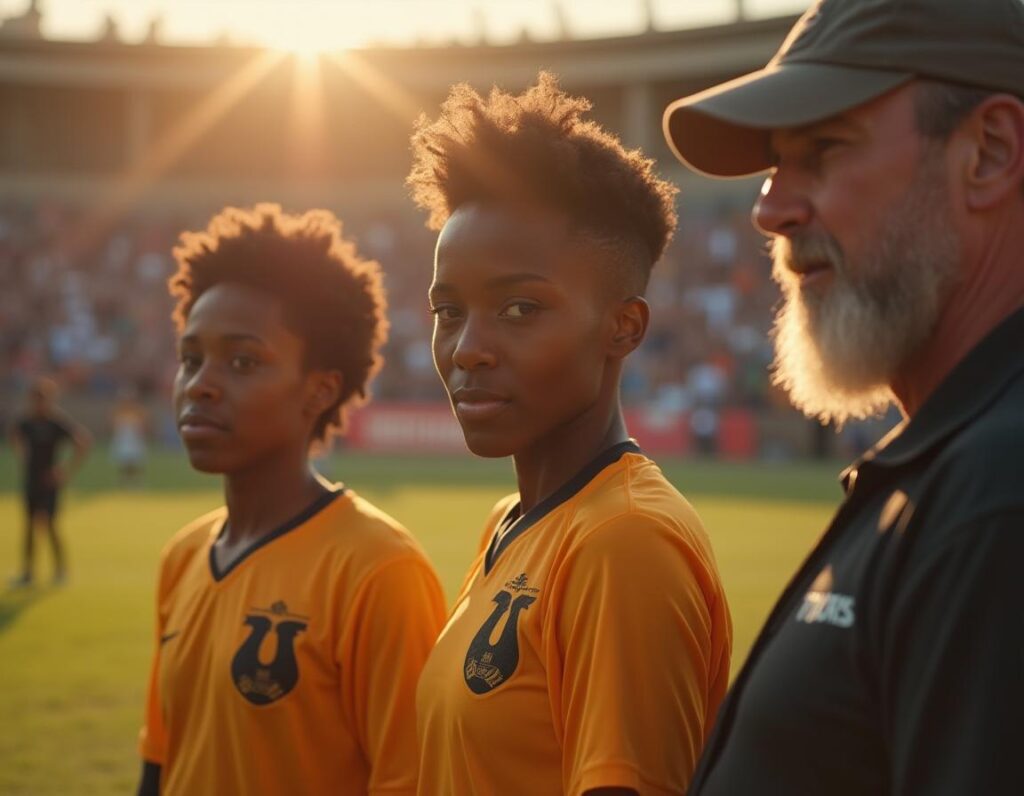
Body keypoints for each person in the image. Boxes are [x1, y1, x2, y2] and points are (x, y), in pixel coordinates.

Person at [663, 0, 1024, 793]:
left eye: (824, 150)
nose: (770, 209)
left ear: (990, 154)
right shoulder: (964, 460)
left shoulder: (997, 494)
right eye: (773, 165)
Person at [408, 74, 732, 796]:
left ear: (624, 327)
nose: (466, 348)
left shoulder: (624, 541)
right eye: (448, 310)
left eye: (520, 308)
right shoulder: (517, 522)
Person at [136, 204, 446, 796]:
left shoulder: (378, 570)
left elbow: (411, 781)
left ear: (320, 389)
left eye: (242, 361)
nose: (200, 382)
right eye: (190, 358)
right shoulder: (183, 557)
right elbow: (160, 762)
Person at [9, 377, 91, 586]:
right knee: (28, 526)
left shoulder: (55, 423)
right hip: (31, 479)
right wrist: (22, 454)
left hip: (48, 482)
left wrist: (64, 470)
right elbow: (14, 435)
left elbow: (83, 442)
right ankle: (27, 573)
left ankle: (60, 571)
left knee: (50, 525)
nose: (38, 403)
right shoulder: (27, 422)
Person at [110, 387, 148, 487]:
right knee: (123, 462)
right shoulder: (118, 411)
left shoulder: (139, 411)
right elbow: (114, 425)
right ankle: (123, 482)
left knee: (135, 462)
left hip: (134, 440)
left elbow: (143, 426)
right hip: (123, 440)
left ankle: (136, 483)